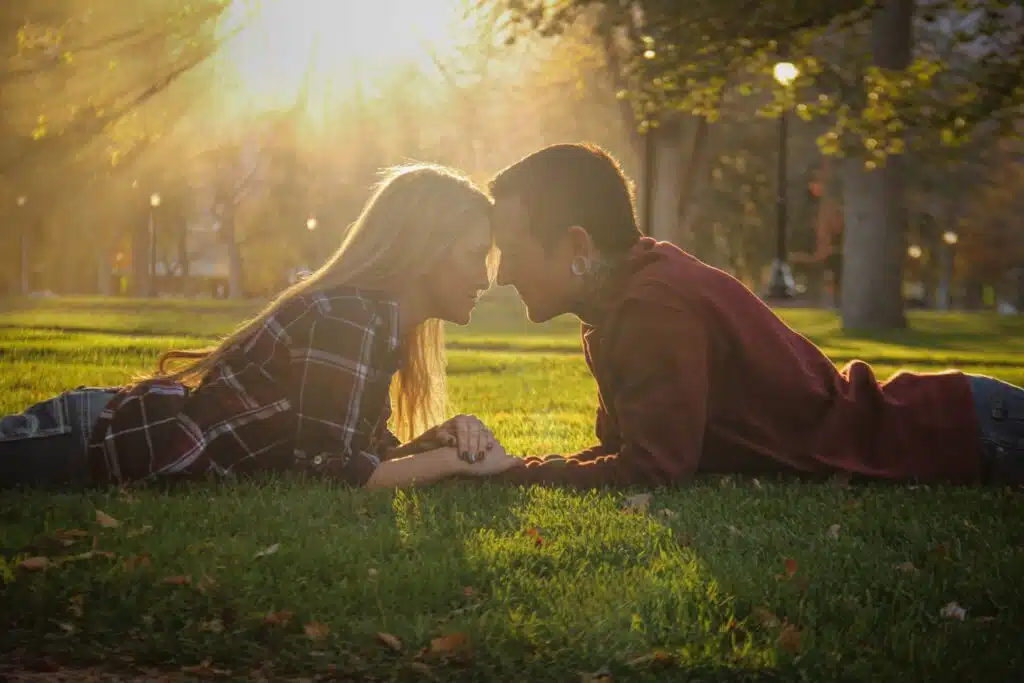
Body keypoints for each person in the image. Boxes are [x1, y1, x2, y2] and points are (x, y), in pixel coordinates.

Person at [485, 142, 1024, 488]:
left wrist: (513, 478)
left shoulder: (654, 307)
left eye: (513, 248)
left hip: (973, 433)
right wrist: (522, 466)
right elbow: (627, 451)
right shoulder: (622, 301)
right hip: (972, 421)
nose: (502, 272)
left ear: (576, 244)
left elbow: (652, 469)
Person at [0, 163, 523, 491]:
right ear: (425, 251)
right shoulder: (348, 320)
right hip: (93, 437)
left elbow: (351, 449)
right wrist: (454, 464)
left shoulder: (375, 327)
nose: (486, 276)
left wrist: (436, 441)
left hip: (108, 433)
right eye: (476, 255)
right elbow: (332, 474)